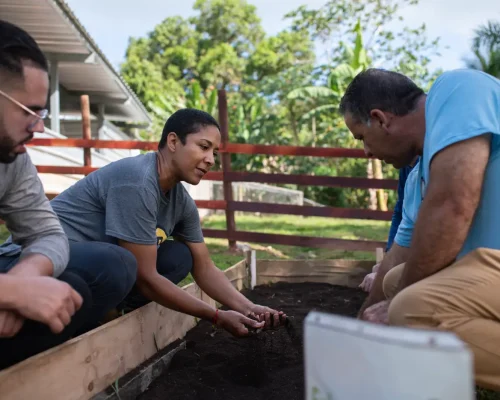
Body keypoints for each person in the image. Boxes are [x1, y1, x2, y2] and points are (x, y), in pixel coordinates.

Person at [32, 108, 285, 337]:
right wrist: (216, 316)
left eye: (214, 153)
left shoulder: (181, 202)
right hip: (42, 257)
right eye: (204, 146)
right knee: (119, 262)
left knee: (181, 256)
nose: (211, 159)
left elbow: (205, 268)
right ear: (173, 141)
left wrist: (250, 308)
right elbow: (146, 278)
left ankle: (116, 314)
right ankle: (89, 324)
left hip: (101, 268)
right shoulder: (137, 181)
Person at [340, 67, 500, 390]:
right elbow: (395, 260)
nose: (366, 152)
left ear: (381, 119)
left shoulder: (457, 89)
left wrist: (393, 309)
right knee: (395, 281)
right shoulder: (418, 179)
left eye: (362, 139)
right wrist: (359, 333)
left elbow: (454, 204)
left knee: (407, 310)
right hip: (487, 272)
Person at [0, 20, 93, 369]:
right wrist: (13, 293)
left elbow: (47, 233)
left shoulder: (12, 157)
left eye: (43, 113)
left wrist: (23, 280)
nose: (39, 127)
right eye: (29, 112)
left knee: (78, 286)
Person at [359, 158, 418, 292]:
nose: (368, 152)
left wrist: (389, 267)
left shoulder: (430, 165)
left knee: (390, 281)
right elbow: (400, 213)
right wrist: (388, 258)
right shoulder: (407, 167)